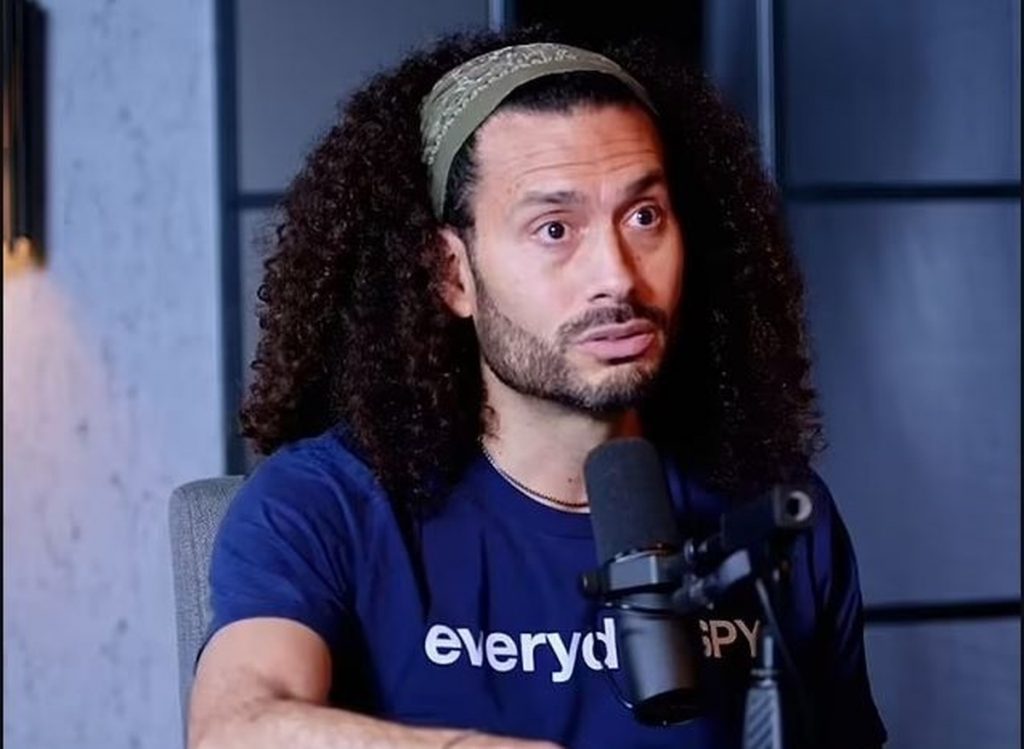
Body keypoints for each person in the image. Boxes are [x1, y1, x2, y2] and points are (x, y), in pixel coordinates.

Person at [188, 26, 887, 749]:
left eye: (644, 217)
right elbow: (235, 727)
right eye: (555, 229)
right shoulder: (327, 504)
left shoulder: (769, 514)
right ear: (452, 274)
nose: (617, 276)